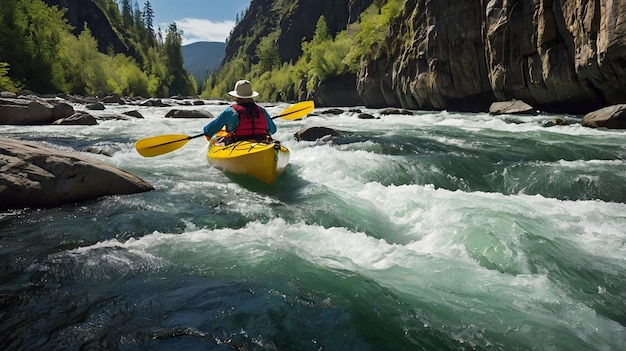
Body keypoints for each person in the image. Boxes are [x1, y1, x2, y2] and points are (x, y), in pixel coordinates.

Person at [203, 80, 277, 143]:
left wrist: (206, 132)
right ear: (251, 95)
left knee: (219, 140)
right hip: (261, 142)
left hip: (238, 144)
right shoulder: (262, 110)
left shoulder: (231, 111)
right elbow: (273, 130)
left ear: (236, 96)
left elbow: (211, 130)